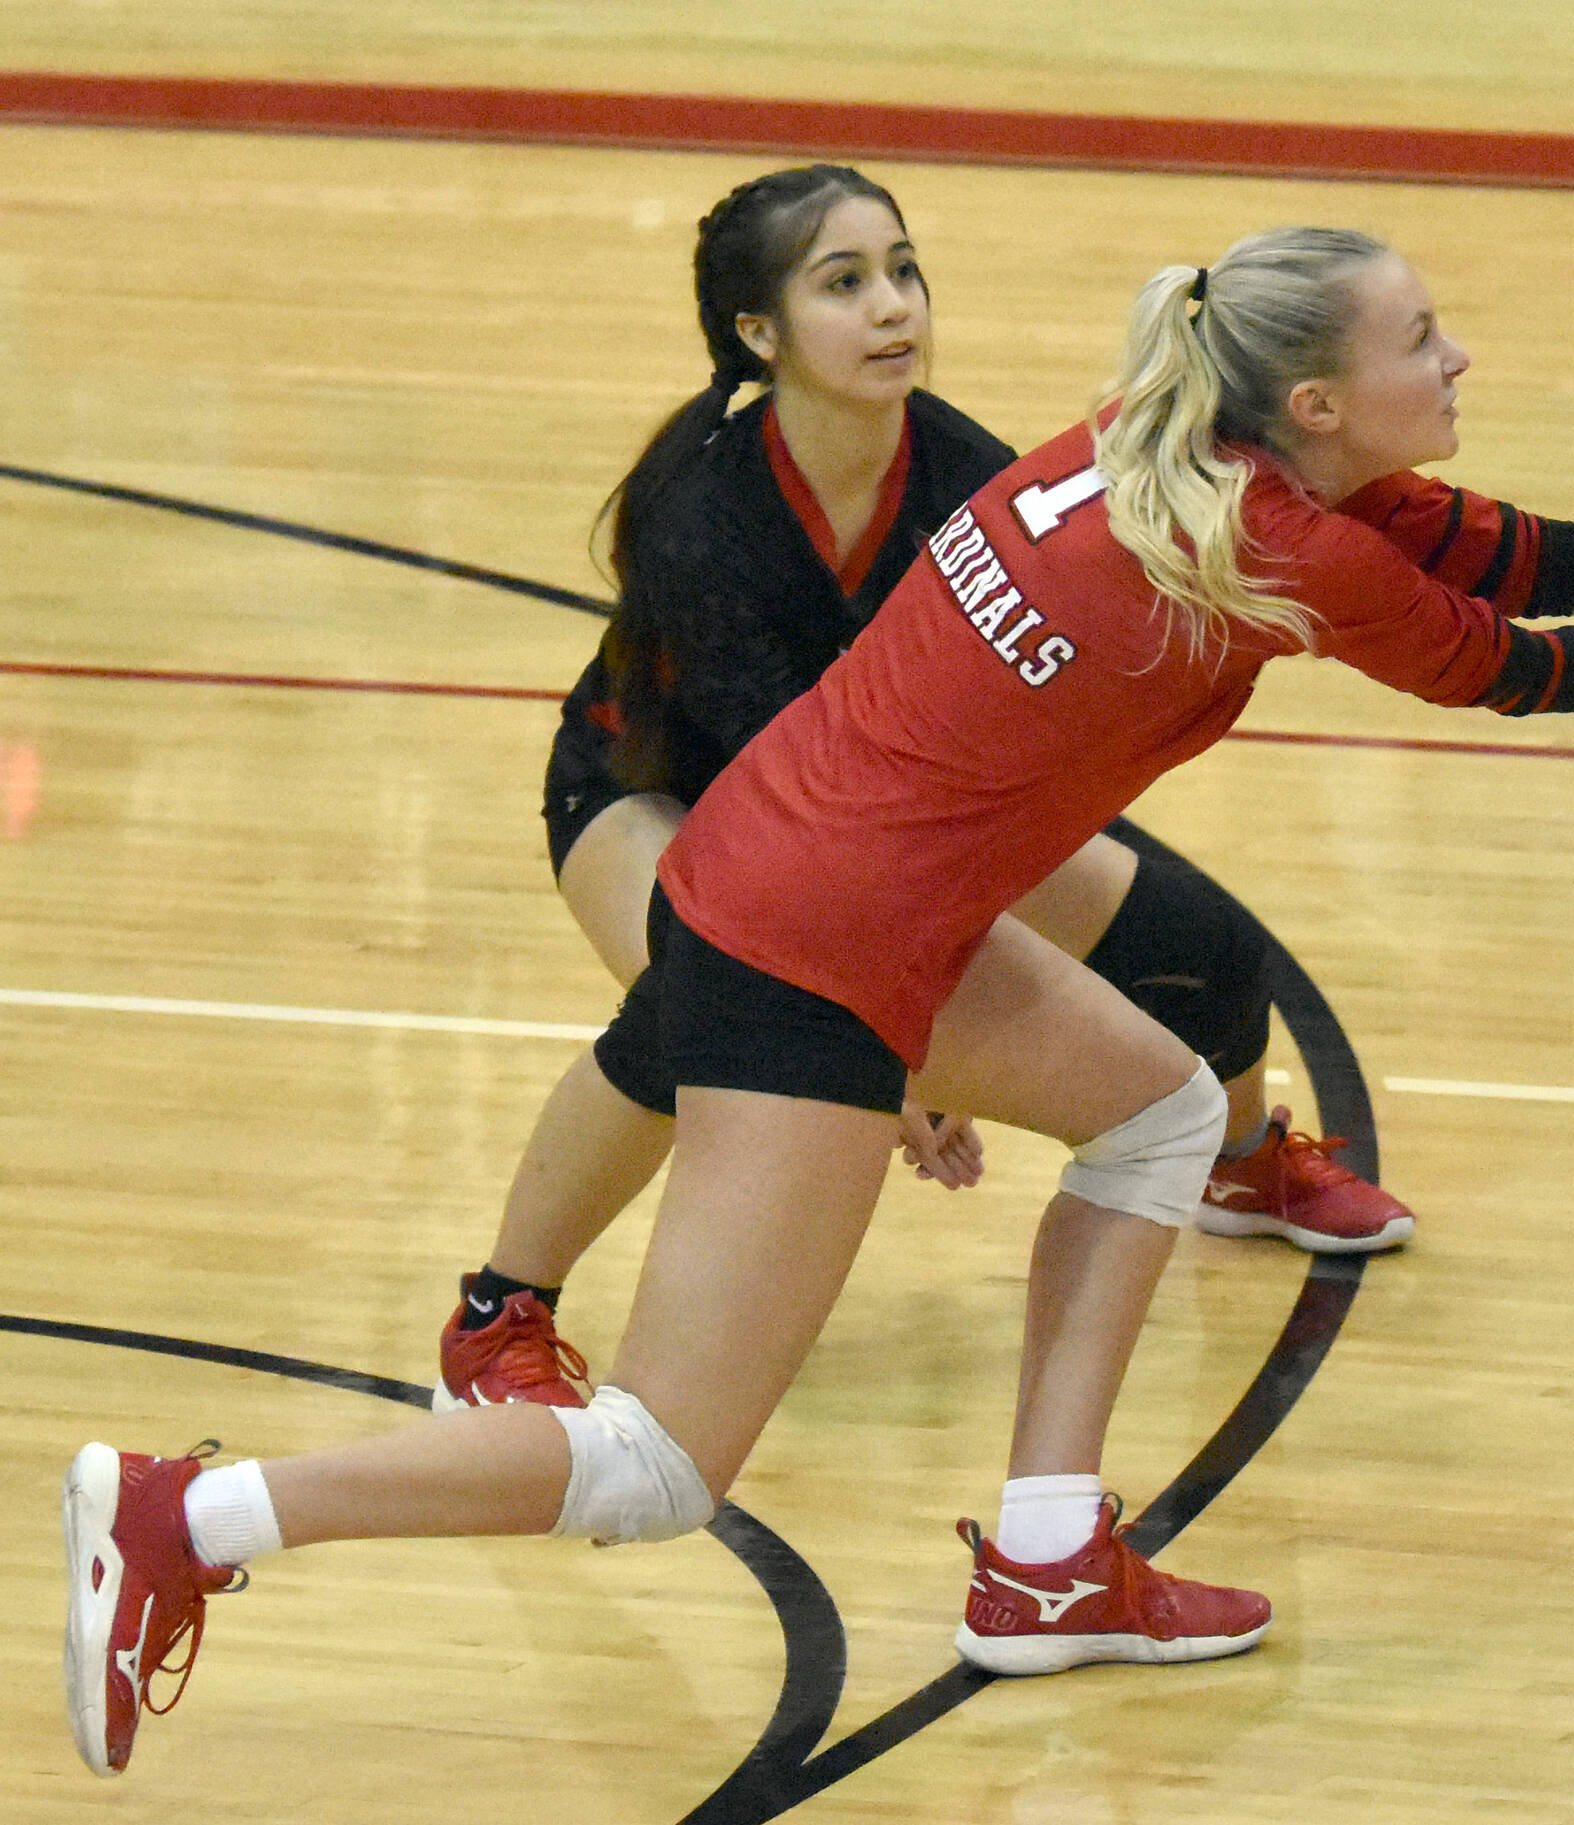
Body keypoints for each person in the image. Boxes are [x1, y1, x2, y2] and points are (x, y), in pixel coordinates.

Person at [63, 223, 1574, 1779]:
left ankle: (1044, 1560)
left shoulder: (1177, 444)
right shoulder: (1288, 544)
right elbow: (1512, 662)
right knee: (659, 1469)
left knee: (1162, 1105)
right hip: (817, 944)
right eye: (1422, 336)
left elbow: (1502, 550)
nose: (1455, 350)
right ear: (1310, 402)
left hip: (812, 864)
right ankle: (194, 1517)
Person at [439, 165, 1427, 1413]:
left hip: (880, 814)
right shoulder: (699, 512)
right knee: (704, 1006)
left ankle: (1237, 1164)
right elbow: (781, 824)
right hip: (663, 799)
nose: (893, 306)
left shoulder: (965, 465)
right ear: (759, 333)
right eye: (843, 284)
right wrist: (899, 1058)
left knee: (1202, 948)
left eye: (902, 270)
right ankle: (499, 1311)